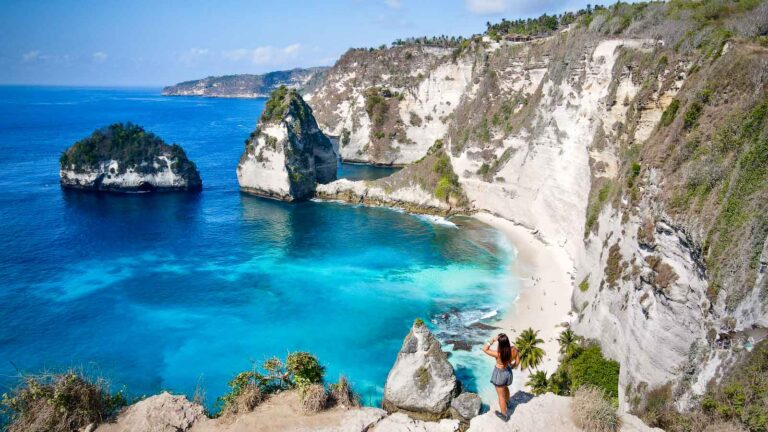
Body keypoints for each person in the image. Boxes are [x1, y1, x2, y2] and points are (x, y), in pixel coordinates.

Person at [482, 333, 520, 422]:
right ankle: (508, 403)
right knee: (505, 387)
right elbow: (517, 362)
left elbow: (484, 349)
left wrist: (492, 340)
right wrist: (512, 367)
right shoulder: (514, 349)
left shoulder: (498, 354)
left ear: (500, 343)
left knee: (500, 396)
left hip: (500, 374)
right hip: (508, 372)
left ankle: (504, 415)